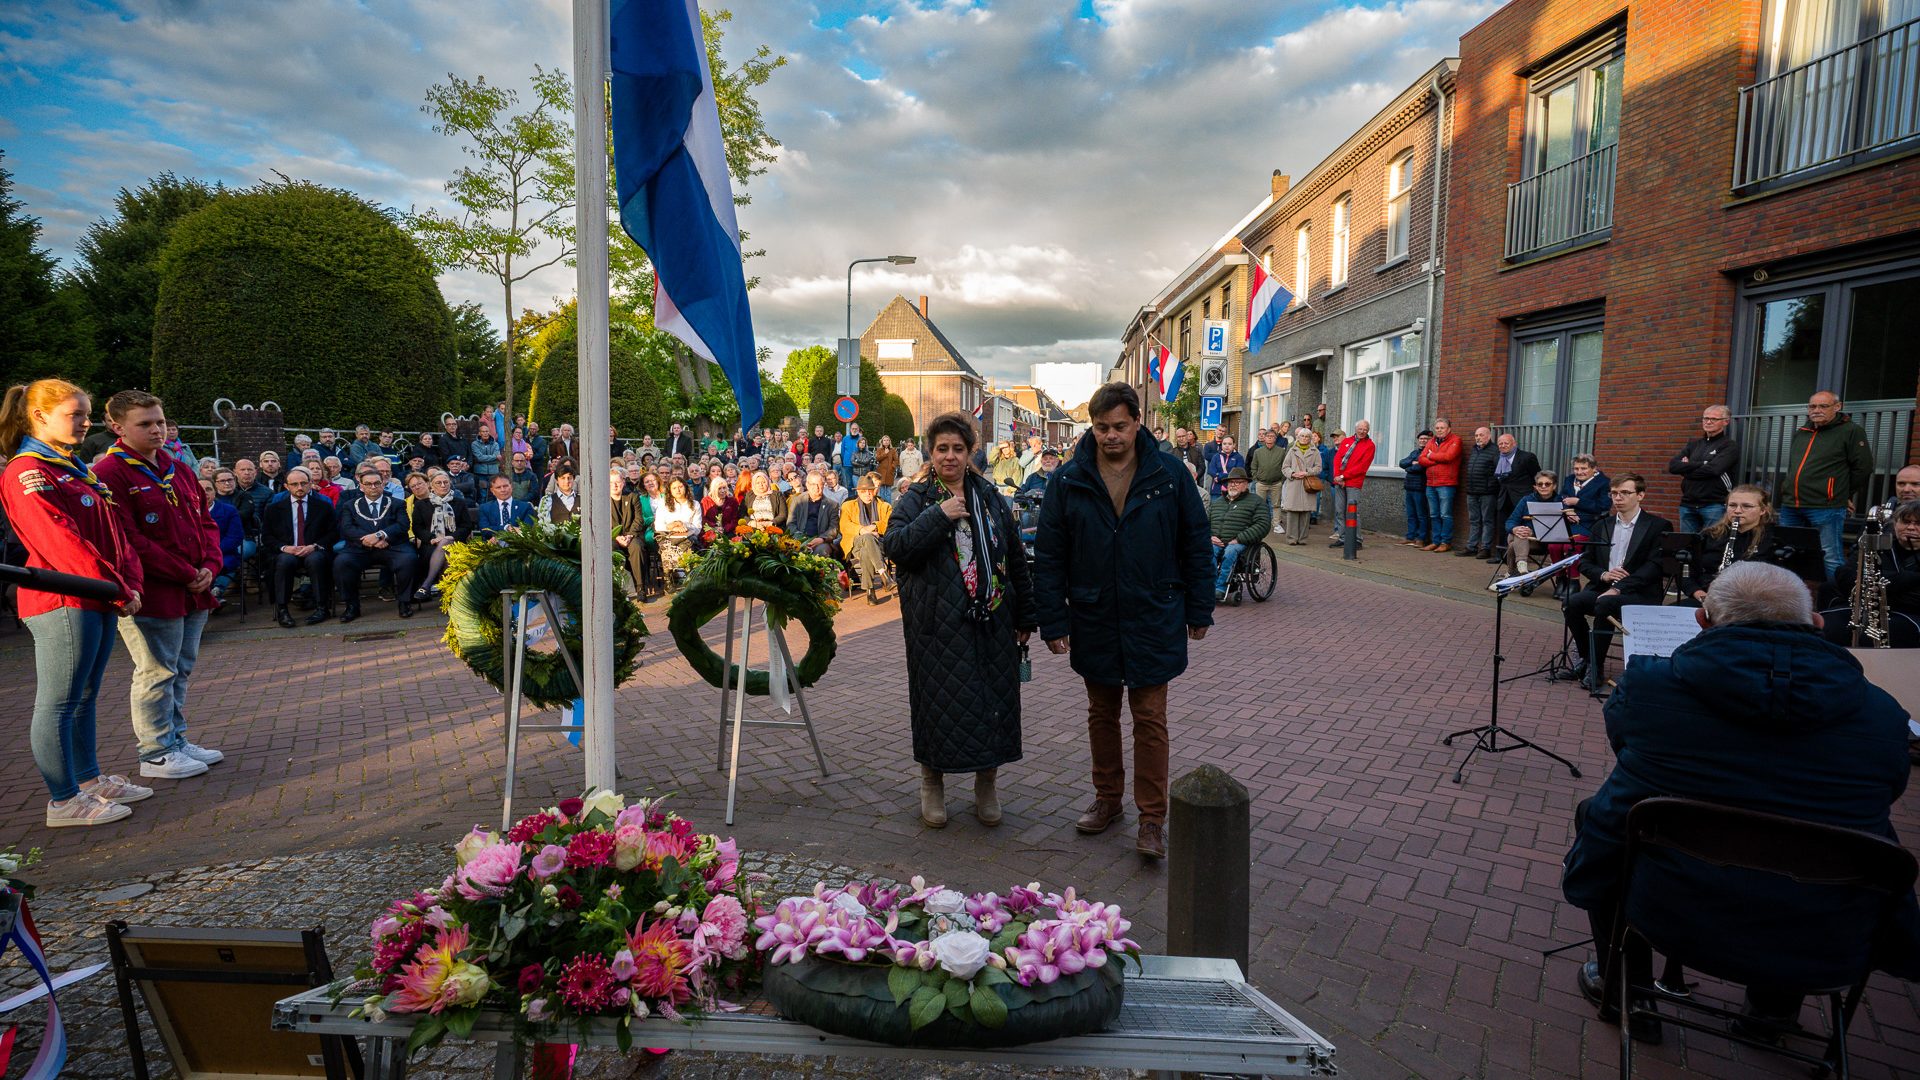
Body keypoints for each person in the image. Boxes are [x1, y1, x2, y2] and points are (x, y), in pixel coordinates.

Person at [1562, 561, 1920, 1046]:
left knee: (1605, 814)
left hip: (1669, 908)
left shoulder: (1649, 686)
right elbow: (1890, 789)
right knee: (1811, 835)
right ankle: (1769, 1016)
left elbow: (1624, 748)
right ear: (1816, 623)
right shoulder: (1883, 716)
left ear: (1703, 621)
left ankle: (1628, 991)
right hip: (1822, 928)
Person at [1032, 382, 1213, 860]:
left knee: (1150, 717)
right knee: (1101, 714)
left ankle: (1152, 818)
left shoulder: (1169, 474)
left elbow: (1195, 542)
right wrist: (1053, 620)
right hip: (1093, 614)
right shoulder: (1069, 479)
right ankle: (1108, 800)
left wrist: (1200, 608)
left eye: (1119, 426)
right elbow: (1050, 556)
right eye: (1101, 427)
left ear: (1137, 422)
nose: (1110, 435)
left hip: (1154, 611)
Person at [1, 379, 150, 827]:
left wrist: (128, 582)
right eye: (76, 415)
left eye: (86, 414)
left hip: (97, 596)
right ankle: (63, 800)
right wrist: (116, 587)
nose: (87, 423)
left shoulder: (71, 466)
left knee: (84, 697)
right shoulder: (28, 470)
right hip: (66, 599)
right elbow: (59, 541)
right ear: (39, 417)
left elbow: (115, 533)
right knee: (58, 703)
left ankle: (89, 780)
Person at [884, 410, 1035, 829]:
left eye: (958, 449)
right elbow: (895, 546)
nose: (949, 456)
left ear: (970, 452)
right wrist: (939, 515)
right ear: (930, 454)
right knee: (938, 706)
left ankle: (987, 784)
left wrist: (1026, 614)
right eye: (941, 449)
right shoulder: (916, 498)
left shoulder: (990, 498)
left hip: (992, 621)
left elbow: (1014, 558)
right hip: (936, 625)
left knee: (994, 704)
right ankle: (932, 784)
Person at [95, 390, 226, 783]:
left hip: (194, 587)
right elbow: (128, 539)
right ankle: (154, 752)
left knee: (180, 669)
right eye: (145, 424)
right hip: (152, 592)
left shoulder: (178, 468)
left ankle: (176, 740)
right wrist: (185, 572)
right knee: (155, 671)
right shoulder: (110, 474)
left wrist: (209, 565)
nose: (157, 430)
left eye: (160, 421)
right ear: (117, 427)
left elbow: (205, 521)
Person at [1562, 475, 1673, 681]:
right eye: (1614, 493)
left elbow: (1655, 566)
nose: (1618, 497)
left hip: (1639, 592)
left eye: (1625, 493)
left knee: (1606, 603)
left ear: (1640, 495)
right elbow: (1585, 562)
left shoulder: (1658, 526)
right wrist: (1603, 575)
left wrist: (1620, 586)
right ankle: (1587, 659)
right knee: (1571, 603)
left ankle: (1596, 668)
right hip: (1603, 586)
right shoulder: (1602, 525)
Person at [1780, 390, 1874, 579]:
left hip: (1826, 506)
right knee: (1786, 554)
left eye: (1823, 406)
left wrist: (1842, 493)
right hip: (1791, 505)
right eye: (1812, 406)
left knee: (1830, 556)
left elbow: (1863, 468)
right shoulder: (1802, 432)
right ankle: (1789, 602)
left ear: (1837, 407)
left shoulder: (1851, 431)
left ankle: (1834, 600)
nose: (1816, 410)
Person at [334, 467, 418, 622]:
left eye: (377, 483)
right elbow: (347, 528)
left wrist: (380, 535)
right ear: (361, 485)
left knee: (409, 559)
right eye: (368, 484)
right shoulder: (350, 505)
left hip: (392, 546)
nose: (373, 487)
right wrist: (368, 540)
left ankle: (405, 602)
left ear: (383, 484)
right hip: (360, 548)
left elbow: (403, 525)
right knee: (342, 562)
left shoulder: (397, 503)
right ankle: (352, 606)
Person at [1835, 498, 1920, 647]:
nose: (1911, 528)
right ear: (1895, 524)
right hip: (1865, 610)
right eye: (1906, 522)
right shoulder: (1878, 545)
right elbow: (1844, 575)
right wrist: (1907, 581)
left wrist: (1880, 585)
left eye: (1918, 524)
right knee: (1827, 626)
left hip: (1910, 615)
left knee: (1873, 636)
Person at [262, 467, 339, 627]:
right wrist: (284, 547)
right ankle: (282, 609)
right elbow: (267, 537)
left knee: (316, 560)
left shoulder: (323, 506)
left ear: (311, 484)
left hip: (314, 550)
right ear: (286, 486)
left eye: (304, 483)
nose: (299, 487)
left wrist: (314, 546)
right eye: (294, 484)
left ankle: (321, 607)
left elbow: (333, 533)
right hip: (287, 551)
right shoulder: (274, 509)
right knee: (284, 562)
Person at [1682, 484, 1774, 606]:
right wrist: (1700, 595)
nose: (1737, 511)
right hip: (1708, 598)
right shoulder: (1710, 535)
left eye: (1746, 506)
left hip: (1752, 603)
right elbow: (1687, 573)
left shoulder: (1773, 538)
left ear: (1763, 510)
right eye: (1732, 505)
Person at [1666, 404, 1741, 534]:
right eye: (1705, 418)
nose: (1708, 421)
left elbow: (1714, 470)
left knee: (1711, 545)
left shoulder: (1729, 446)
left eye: (1714, 419)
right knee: (1687, 547)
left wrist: (1686, 469)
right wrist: (1702, 463)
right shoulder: (1694, 444)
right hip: (1687, 504)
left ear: (1726, 422)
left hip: (1714, 505)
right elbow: (1673, 466)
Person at [409, 469, 474, 600]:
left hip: (456, 542)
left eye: (446, 482)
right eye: (439, 483)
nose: (443, 485)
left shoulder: (459, 502)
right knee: (446, 551)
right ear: (431, 486)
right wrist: (432, 538)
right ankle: (450, 595)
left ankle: (426, 585)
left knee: (447, 546)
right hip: (430, 545)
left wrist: (452, 537)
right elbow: (418, 528)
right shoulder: (422, 504)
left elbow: (466, 526)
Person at [1208, 468, 1269, 602]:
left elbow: (1263, 525)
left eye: (1237, 482)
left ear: (1246, 485)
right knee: (1207, 551)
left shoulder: (1256, 502)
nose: (1233, 485)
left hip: (1240, 542)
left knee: (1230, 552)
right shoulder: (1218, 502)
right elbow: (1204, 522)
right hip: (1216, 540)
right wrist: (1210, 536)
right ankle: (1208, 586)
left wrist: (1239, 539)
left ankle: (1220, 588)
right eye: (1230, 482)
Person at [839, 476, 894, 604]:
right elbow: (844, 525)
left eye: (870, 490)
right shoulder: (848, 506)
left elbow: (891, 523)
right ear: (858, 492)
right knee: (867, 538)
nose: (867, 494)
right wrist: (862, 530)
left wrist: (875, 526)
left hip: (879, 543)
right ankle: (883, 574)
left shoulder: (885, 506)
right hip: (855, 543)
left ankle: (870, 590)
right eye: (863, 491)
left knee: (866, 551)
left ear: (874, 490)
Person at [1489, 432, 1542, 562]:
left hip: (1521, 497)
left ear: (1514, 444)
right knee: (1503, 525)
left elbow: (1537, 476)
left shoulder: (1527, 457)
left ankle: (1519, 555)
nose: (1503, 445)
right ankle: (1501, 555)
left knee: (1520, 525)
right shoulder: (1496, 458)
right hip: (1503, 497)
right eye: (1500, 443)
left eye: (1506, 443)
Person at [1415, 417, 1462, 552]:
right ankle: (1436, 541)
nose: (1439, 430)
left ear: (1449, 429)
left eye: (1442, 428)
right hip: (1431, 483)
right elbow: (1421, 459)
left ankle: (1445, 542)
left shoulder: (1455, 440)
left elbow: (1449, 457)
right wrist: (1435, 459)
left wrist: (1431, 456)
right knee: (1434, 514)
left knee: (1445, 514)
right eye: (1437, 428)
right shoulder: (1431, 441)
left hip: (1446, 483)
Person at [1329, 421, 1376, 548]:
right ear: (1355, 429)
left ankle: (1357, 540)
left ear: (1368, 430)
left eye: (1365, 429)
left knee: (1353, 511)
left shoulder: (1370, 445)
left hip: (1354, 482)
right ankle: (1343, 537)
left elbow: (1362, 467)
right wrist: (1338, 476)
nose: (1362, 431)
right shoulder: (1347, 441)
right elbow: (1338, 458)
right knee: (1339, 510)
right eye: (1360, 429)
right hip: (1339, 480)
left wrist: (1344, 476)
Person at [609, 467, 651, 596]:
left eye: (618, 482)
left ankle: (640, 588)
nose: (615, 485)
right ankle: (616, 590)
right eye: (611, 483)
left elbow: (639, 519)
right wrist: (616, 537)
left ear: (623, 482)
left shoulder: (632, 497)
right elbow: (603, 522)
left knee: (637, 548)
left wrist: (629, 536)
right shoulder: (603, 500)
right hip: (612, 537)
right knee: (610, 549)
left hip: (632, 535)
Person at [200, 477, 242, 605]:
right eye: (199, 490)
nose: (204, 493)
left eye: (208, 489)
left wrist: (212, 551)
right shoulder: (186, 511)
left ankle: (213, 594)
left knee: (217, 565)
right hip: (196, 555)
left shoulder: (229, 511)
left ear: (215, 492)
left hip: (224, 553)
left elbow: (235, 537)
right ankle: (208, 597)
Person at [1460, 426, 1499, 558]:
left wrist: (1491, 486)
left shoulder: (1495, 450)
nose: (1478, 438)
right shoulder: (1474, 450)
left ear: (1489, 436)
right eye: (1476, 435)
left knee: (1487, 520)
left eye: (1481, 435)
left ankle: (1485, 548)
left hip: (1487, 493)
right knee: (1474, 520)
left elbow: (1497, 472)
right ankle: (1471, 547)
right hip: (1472, 491)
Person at [785, 471, 839, 559]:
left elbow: (834, 528)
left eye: (819, 484)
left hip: (821, 541)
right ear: (807, 485)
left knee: (821, 551)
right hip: (799, 539)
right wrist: (801, 539)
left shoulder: (832, 505)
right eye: (813, 484)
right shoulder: (797, 501)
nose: (817, 487)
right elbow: (791, 524)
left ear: (823, 485)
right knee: (791, 552)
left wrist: (821, 539)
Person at [1279, 429, 1319, 544]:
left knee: (1306, 514)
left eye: (1307, 436)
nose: (1305, 438)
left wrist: (1307, 472)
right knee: (1292, 513)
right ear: (1298, 437)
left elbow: (1318, 467)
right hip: (1294, 484)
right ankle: (1291, 538)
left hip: (1308, 485)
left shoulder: (1314, 451)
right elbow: (1285, 467)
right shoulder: (1292, 450)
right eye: (1302, 436)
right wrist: (1292, 473)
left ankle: (1303, 539)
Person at [1246, 426, 1289, 534]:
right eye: (1268, 436)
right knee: (1259, 504)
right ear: (1264, 438)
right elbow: (1253, 466)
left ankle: (1276, 525)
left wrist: (1281, 480)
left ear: (1275, 439)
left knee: (1276, 505)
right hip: (1261, 483)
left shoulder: (1281, 451)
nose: (1270, 438)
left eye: (1272, 436)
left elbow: (1285, 466)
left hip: (1276, 483)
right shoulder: (1258, 452)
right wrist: (1256, 477)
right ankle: (1259, 524)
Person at [1397, 431, 1432, 549]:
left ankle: (1421, 538)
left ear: (1430, 440)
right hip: (1409, 487)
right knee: (1411, 514)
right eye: (1421, 438)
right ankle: (1410, 537)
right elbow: (1402, 463)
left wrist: (1409, 467)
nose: (1423, 440)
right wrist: (1412, 463)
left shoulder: (1429, 453)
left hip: (1420, 488)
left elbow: (1421, 467)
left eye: (1425, 438)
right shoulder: (1414, 452)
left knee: (1421, 514)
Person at [477, 473, 535, 539]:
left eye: (505, 486)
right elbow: (485, 530)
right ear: (492, 491)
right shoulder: (485, 508)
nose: (503, 490)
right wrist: (506, 528)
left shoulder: (525, 507)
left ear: (511, 486)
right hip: (493, 544)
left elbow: (527, 529)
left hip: (518, 544)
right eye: (498, 487)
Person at [875, 435, 899, 501]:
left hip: (889, 473)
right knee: (882, 491)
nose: (886, 442)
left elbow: (896, 460)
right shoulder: (879, 450)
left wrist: (892, 467)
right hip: (881, 473)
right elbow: (877, 459)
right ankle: (882, 506)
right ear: (882, 442)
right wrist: (885, 454)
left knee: (888, 492)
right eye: (884, 440)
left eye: (887, 440)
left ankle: (889, 507)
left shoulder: (893, 450)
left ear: (890, 442)